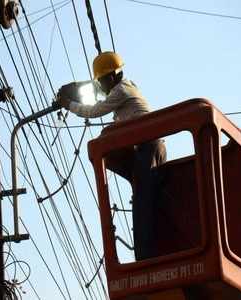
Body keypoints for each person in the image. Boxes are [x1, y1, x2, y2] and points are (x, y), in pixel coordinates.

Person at [58, 51, 167, 260]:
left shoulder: (121, 92)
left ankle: (146, 257)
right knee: (149, 197)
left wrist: (68, 104)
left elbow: (94, 111)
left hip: (148, 146)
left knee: (144, 200)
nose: (100, 86)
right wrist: (76, 88)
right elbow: (101, 94)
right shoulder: (126, 87)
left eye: (101, 81)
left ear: (109, 77)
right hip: (152, 146)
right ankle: (152, 252)